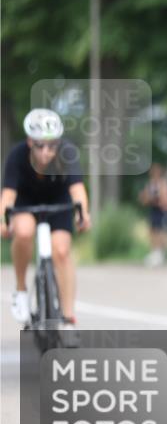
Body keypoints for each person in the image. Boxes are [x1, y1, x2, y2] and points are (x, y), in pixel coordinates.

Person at [1, 109, 91, 335]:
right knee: (23, 231)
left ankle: (68, 318)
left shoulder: (67, 153)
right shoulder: (17, 156)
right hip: (26, 200)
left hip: (57, 201)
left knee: (61, 251)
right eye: (41, 145)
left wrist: (83, 214)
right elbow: (8, 195)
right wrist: (3, 220)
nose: (47, 152)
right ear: (30, 142)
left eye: (53, 145)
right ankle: (21, 290)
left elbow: (77, 189)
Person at [139, 163, 167, 266]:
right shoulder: (150, 184)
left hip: (161, 211)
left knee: (160, 232)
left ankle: (161, 253)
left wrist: (155, 199)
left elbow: (166, 199)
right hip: (153, 210)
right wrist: (146, 198)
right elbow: (144, 198)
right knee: (152, 231)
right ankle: (155, 252)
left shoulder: (163, 183)